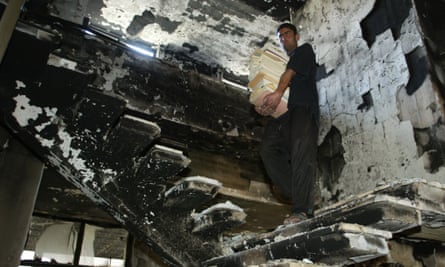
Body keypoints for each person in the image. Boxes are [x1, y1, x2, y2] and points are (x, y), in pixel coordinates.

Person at [255, 23, 319, 225]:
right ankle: (300, 192)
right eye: (280, 36)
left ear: (297, 35)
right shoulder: (286, 64)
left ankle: (302, 210)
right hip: (289, 113)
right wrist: (265, 105)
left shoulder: (304, 51)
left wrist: (277, 93)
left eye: (287, 34)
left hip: (304, 110)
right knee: (268, 148)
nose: (283, 39)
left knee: (301, 154)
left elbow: (289, 74)